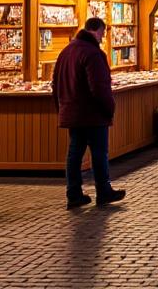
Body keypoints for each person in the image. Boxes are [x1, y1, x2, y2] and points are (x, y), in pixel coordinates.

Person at [52, 17, 125, 208]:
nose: (103, 37)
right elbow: (99, 87)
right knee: (99, 153)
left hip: (73, 112)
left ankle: (74, 193)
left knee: (74, 154)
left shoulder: (66, 52)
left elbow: (56, 84)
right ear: (96, 30)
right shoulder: (93, 54)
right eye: (102, 33)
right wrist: (109, 109)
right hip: (92, 114)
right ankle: (103, 191)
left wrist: (61, 108)